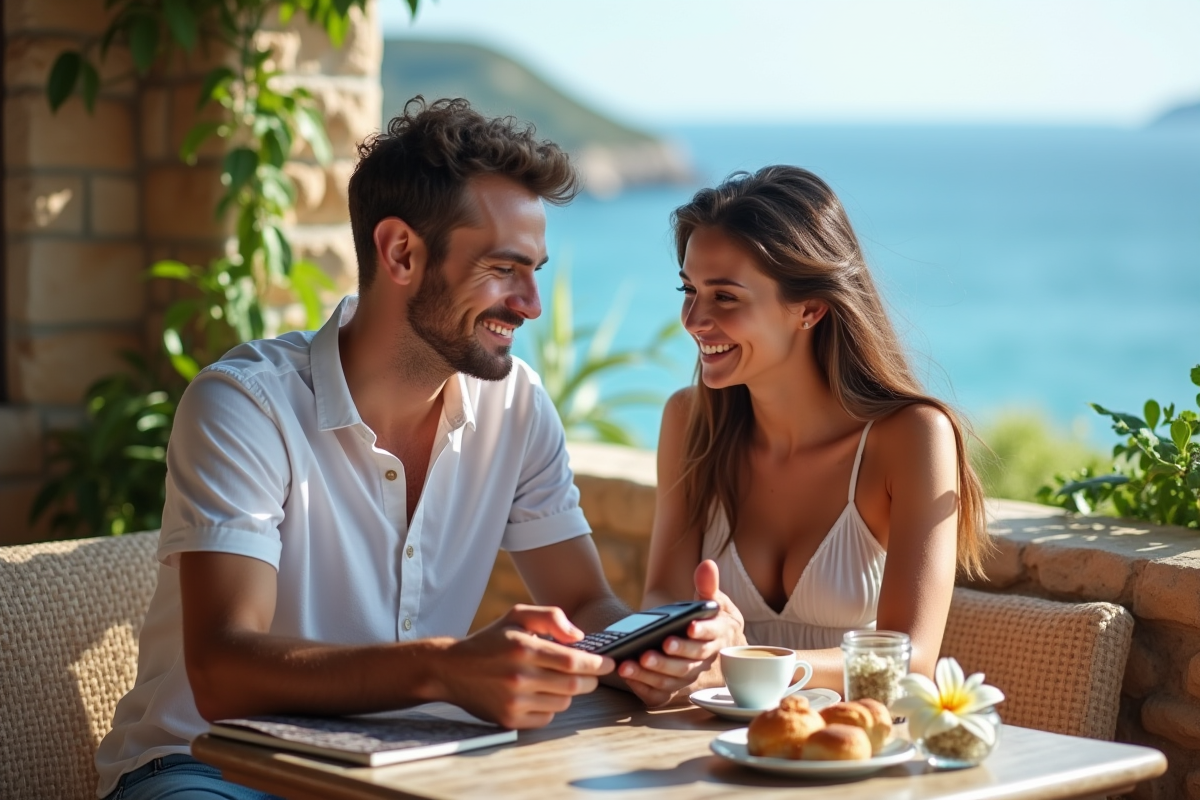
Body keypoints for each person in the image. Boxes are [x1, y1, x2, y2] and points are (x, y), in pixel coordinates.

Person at [94, 98, 732, 800]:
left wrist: (657, 649)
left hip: (405, 770)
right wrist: (444, 668)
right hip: (208, 769)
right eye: (503, 268)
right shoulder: (247, 405)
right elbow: (223, 670)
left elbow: (584, 602)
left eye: (535, 271)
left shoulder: (516, 406)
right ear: (401, 252)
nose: (530, 304)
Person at [629, 166, 991, 702]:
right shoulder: (689, 421)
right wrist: (686, 638)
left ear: (810, 309)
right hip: (704, 740)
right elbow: (662, 594)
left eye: (725, 297)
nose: (694, 318)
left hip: (850, 744)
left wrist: (745, 662)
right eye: (689, 289)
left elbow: (912, 660)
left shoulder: (911, 437)